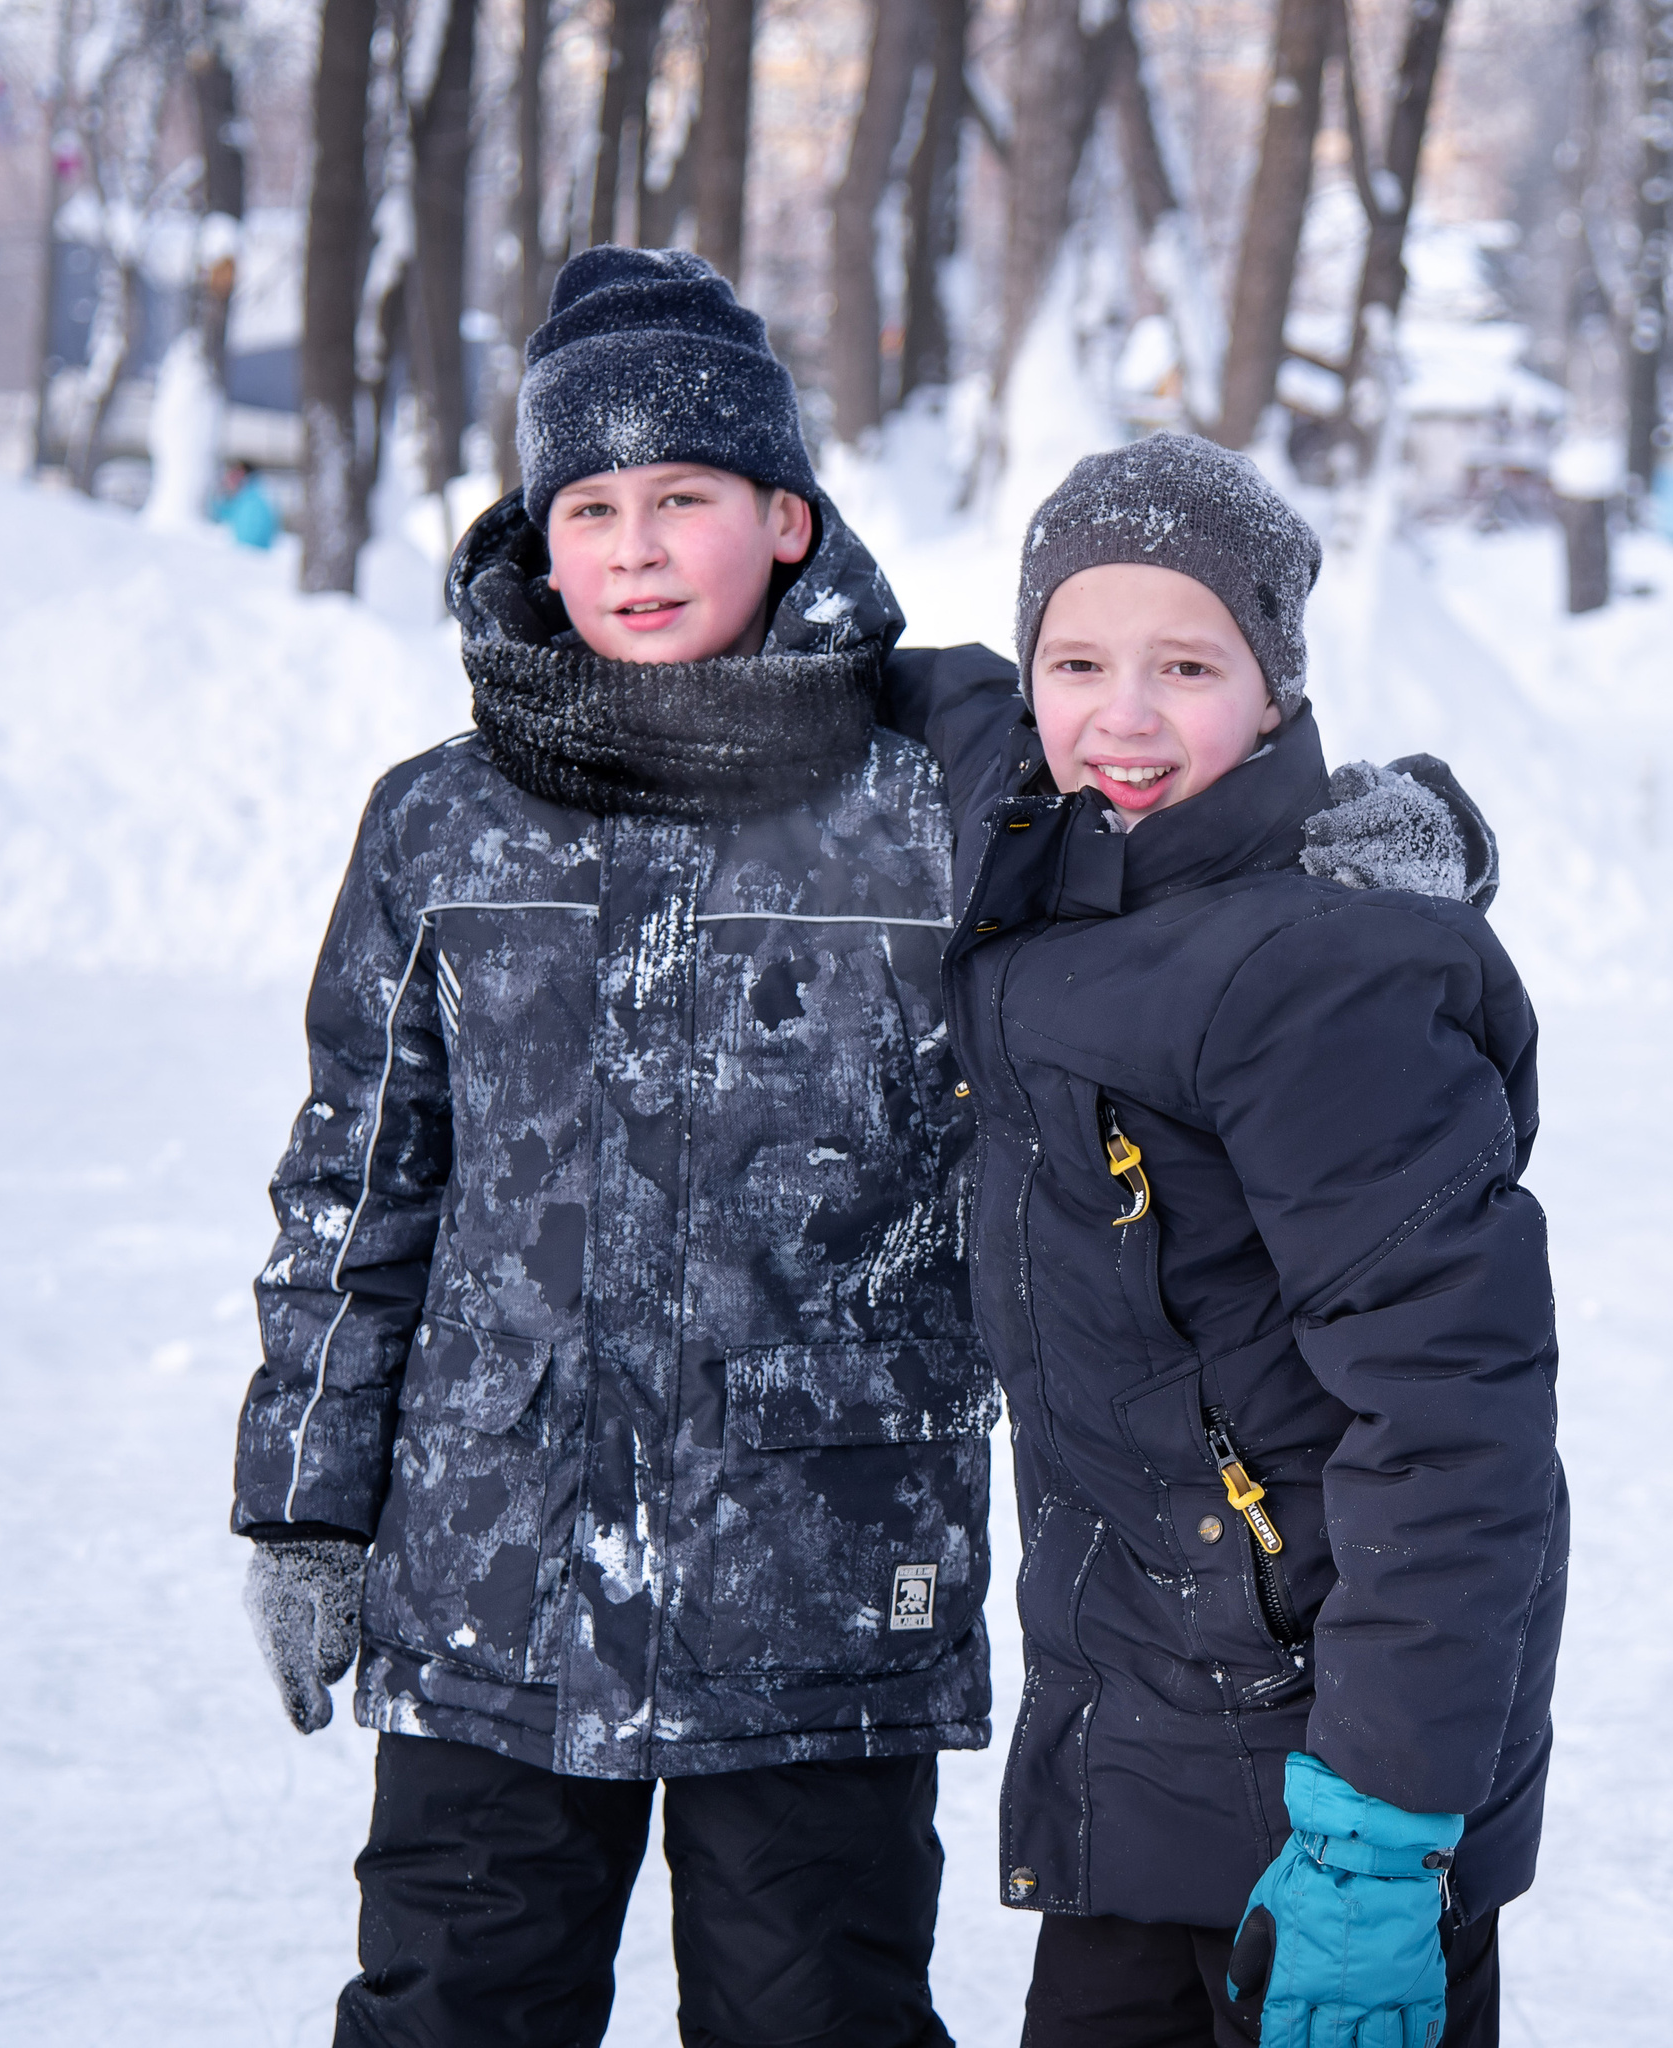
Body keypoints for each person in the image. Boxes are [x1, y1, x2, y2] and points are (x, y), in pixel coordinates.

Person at [229, 246, 995, 2048]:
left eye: (684, 497)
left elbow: (1163, 865)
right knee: (451, 2007)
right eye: (590, 503)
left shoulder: (923, 808)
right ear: (537, 535)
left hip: (819, 1564)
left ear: (789, 520)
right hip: (492, 1571)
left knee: (821, 2015)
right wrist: (305, 1503)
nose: (636, 546)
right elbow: (357, 1183)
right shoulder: (440, 821)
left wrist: (1345, 858)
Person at [879, 434, 1565, 2048]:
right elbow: (937, 691)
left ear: (1276, 692)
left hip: (1325, 1765)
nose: (1121, 712)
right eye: (1078, 659)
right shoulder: (1066, 877)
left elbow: (1456, 1423)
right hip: (1138, 1731)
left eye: (1186, 663)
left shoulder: (1320, 978)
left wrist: (1382, 1836)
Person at [213, 459, 280, 548]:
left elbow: (249, 542)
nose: (230, 478)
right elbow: (221, 514)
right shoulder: (243, 499)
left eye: (235, 474)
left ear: (245, 476)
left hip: (251, 557)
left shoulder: (253, 503)